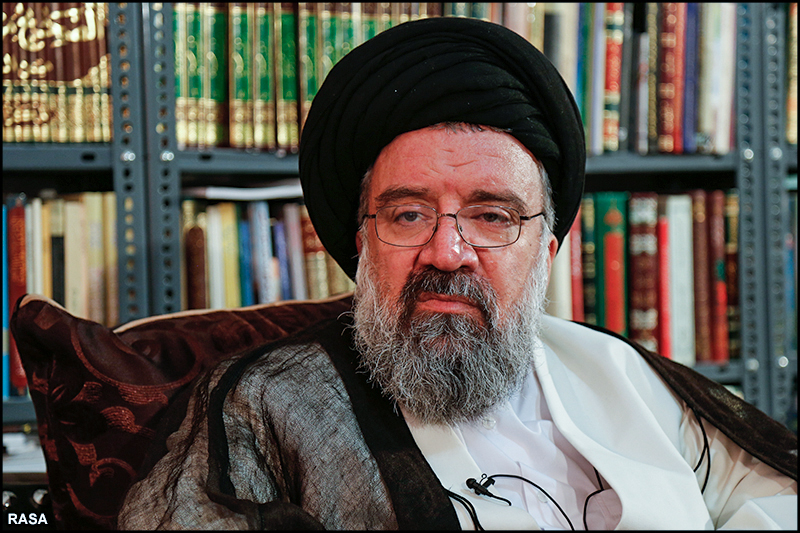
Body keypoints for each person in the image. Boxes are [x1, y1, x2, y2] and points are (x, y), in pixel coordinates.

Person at [118, 16, 797, 530]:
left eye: (492, 216)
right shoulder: (271, 404)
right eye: (409, 214)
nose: (448, 252)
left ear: (547, 251)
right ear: (362, 243)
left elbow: (772, 492)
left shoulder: (617, 375)